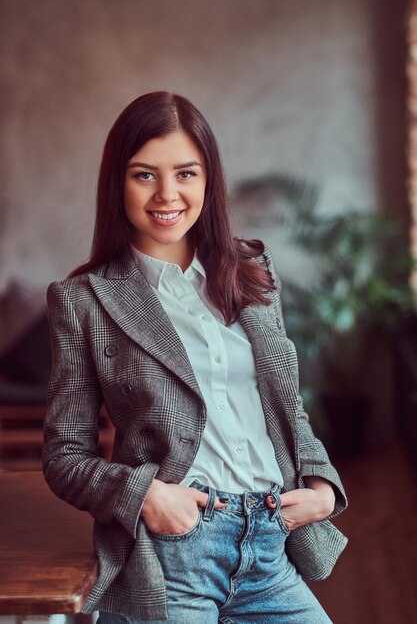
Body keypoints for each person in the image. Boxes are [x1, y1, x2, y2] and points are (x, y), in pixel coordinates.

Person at [43, 91, 348, 624]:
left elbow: (285, 408)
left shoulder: (252, 270)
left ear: (209, 180)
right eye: (144, 175)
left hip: (270, 549)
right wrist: (143, 496)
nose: (167, 193)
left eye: (186, 173)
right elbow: (65, 454)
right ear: (118, 182)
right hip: (171, 557)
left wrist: (322, 485)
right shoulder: (85, 300)